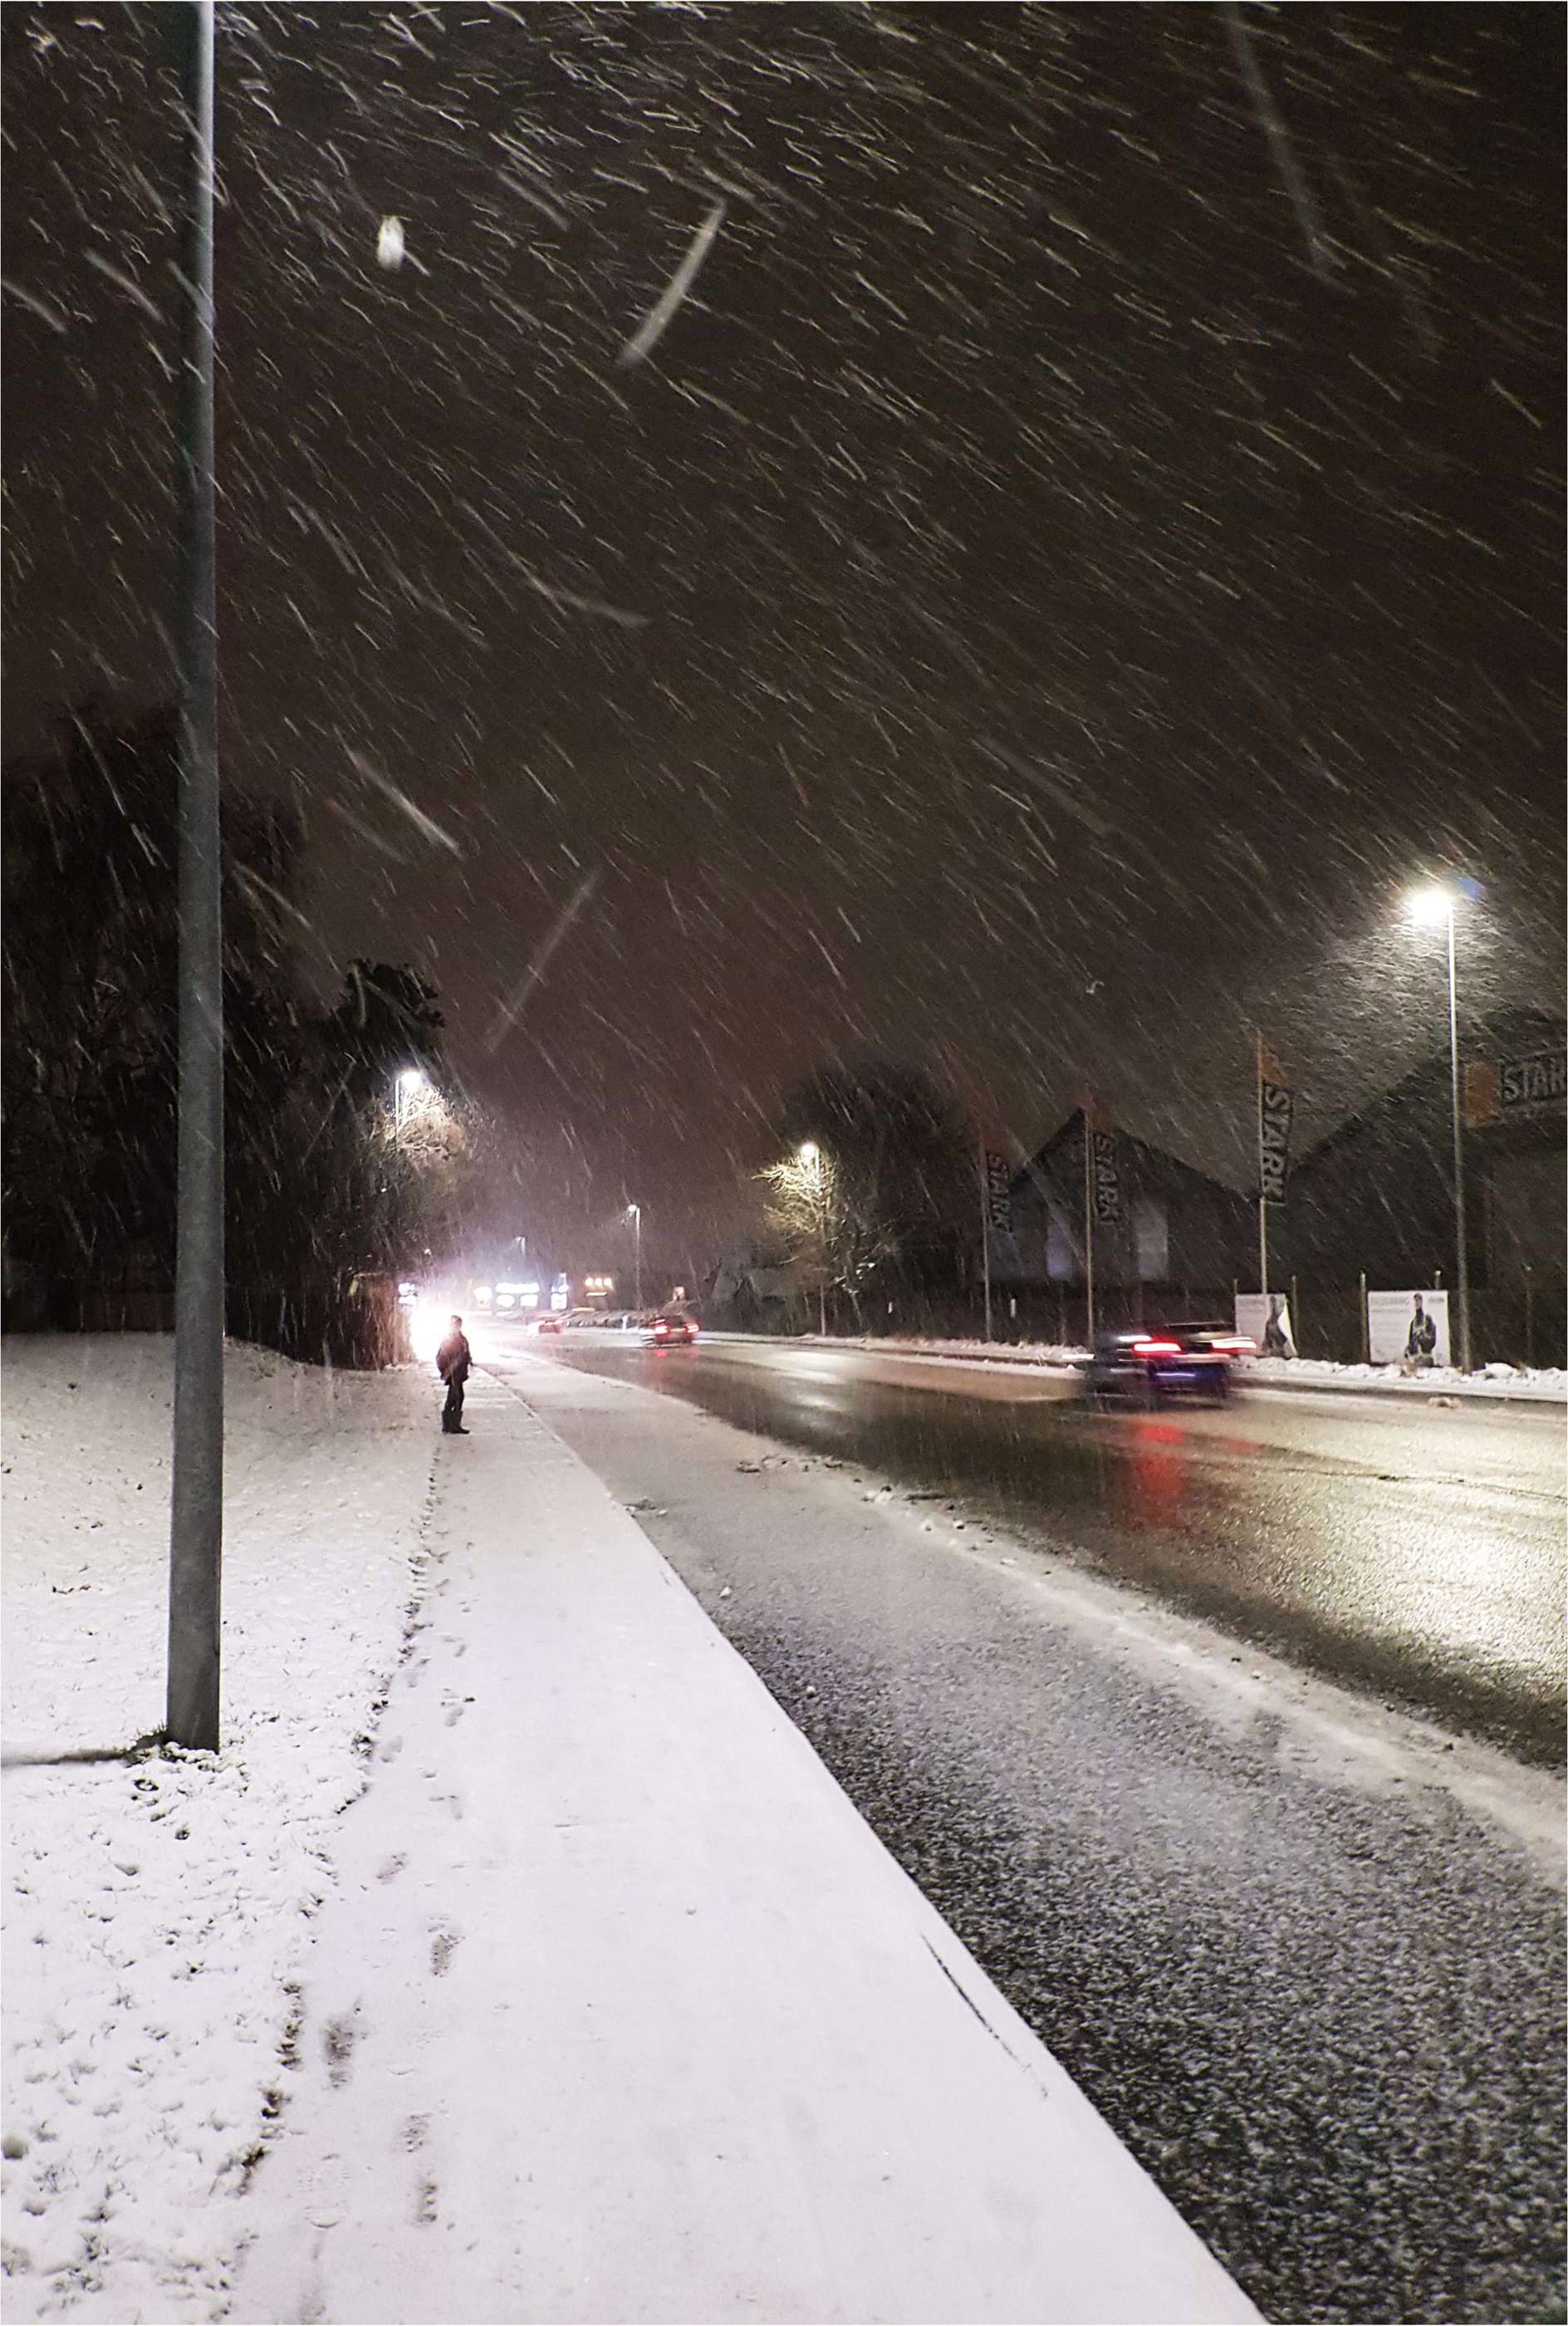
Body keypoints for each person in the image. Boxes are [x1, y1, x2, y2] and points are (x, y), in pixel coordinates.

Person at [436, 1314, 472, 1434]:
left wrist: (469, 1361)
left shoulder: (461, 1338)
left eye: (459, 1325)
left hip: (459, 1372)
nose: (458, 1327)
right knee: (457, 1396)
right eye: (456, 1325)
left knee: (454, 1397)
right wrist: (445, 1369)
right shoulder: (450, 1339)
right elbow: (442, 1356)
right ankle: (452, 1425)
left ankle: (449, 1425)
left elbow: (465, 1352)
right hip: (453, 1372)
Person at [1403, 1296, 1438, 1372]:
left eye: (1418, 1301)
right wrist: (1408, 1350)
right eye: (1415, 1301)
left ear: (1421, 1302)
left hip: (1425, 1358)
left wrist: (1422, 1337)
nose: (1416, 1303)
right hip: (1415, 1359)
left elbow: (1432, 1341)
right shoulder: (1413, 1322)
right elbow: (1411, 1341)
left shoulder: (1427, 1320)